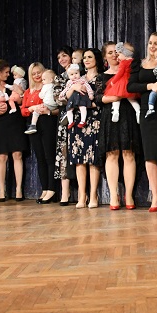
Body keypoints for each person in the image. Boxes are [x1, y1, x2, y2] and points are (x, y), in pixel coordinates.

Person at [128, 32, 157, 212]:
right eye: (150, 43)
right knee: (150, 155)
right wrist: (150, 86)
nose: (153, 46)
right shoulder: (139, 64)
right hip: (147, 111)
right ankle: (155, 195)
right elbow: (131, 86)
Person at [99, 41, 141, 210]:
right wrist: (115, 97)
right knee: (112, 155)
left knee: (129, 154)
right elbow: (97, 98)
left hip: (128, 114)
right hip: (110, 116)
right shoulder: (102, 76)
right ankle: (113, 195)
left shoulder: (131, 70)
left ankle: (129, 195)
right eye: (110, 52)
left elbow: (137, 91)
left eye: (116, 51)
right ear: (105, 57)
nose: (114, 55)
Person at [62, 48, 104, 208]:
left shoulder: (100, 77)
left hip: (93, 120)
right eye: (84, 57)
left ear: (96, 59)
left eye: (89, 57)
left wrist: (86, 102)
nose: (86, 60)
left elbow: (99, 99)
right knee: (79, 159)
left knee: (92, 159)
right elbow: (64, 99)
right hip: (76, 120)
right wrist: (73, 89)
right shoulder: (77, 77)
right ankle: (82, 195)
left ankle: (93, 195)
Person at [0, 59, 29, 202]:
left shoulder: (12, 84)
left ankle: (19, 189)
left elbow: (21, 100)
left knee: (17, 154)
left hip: (15, 121)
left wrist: (19, 91)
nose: (8, 75)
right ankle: (2, 190)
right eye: (6, 72)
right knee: (2, 156)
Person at [21, 63, 59, 204]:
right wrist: (32, 108)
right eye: (34, 73)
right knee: (40, 158)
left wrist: (46, 110)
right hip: (33, 123)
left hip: (47, 122)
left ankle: (52, 189)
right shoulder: (28, 92)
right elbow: (23, 111)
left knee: (49, 156)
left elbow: (57, 106)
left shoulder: (49, 87)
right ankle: (45, 188)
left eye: (39, 72)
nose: (37, 75)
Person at [53, 46, 74, 206]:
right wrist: (71, 91)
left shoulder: (81, 73)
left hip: (81, 117)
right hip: (64, 119)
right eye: (59, 57)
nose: (62, 59)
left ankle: (85, 192)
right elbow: (58, 100)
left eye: (64, 55)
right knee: (64, 154)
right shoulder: (59, 78)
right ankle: (65, 193)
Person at [105, 42, 141, 124]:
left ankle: (115, 111)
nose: (117, 57)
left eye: (119, 54)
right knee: (132, 99)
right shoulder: (133, 62)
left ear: (125, 54)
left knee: (116, 96)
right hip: (130, 81)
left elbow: (119, 73)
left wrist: (113, 81)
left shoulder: (123, 63)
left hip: (122, 82)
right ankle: (138, 111)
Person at [60, 63, 94, 129]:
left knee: (82, 107)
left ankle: (83, 120)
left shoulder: (82, 80)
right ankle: (70, 122)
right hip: (73, 98)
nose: (74, 76)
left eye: (76, 73)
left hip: (81, 96)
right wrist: (62, 94)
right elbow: (66, 89)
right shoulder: (69, 82)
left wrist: (90, 94)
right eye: (72, 74)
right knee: (69, 109)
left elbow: (88, 87)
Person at [24, 69, 57, 135]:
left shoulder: (45, 86)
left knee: (36, 111)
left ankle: (33, 125)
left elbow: (41, 96)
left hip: (47, 108)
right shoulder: (55, 86)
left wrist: (40, 94)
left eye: (44, 79)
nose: (42, 81)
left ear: (50, 80)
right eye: (33, 74)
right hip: (54, 105)